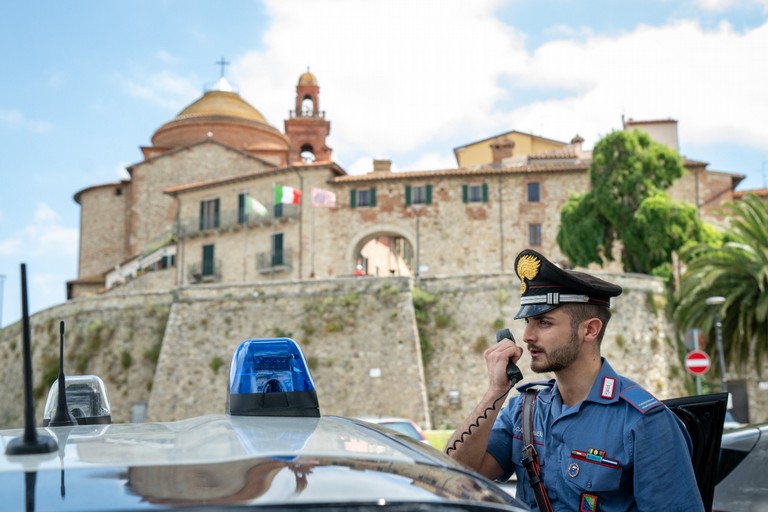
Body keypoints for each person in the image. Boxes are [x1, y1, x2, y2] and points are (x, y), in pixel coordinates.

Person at [446, 248, 703, 511]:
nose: (527, 336)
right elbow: (456, 479)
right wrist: (495, 392)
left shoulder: (643, 422)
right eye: (527, 322)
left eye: (543, 322)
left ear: (590, 330)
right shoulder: (524, 409)